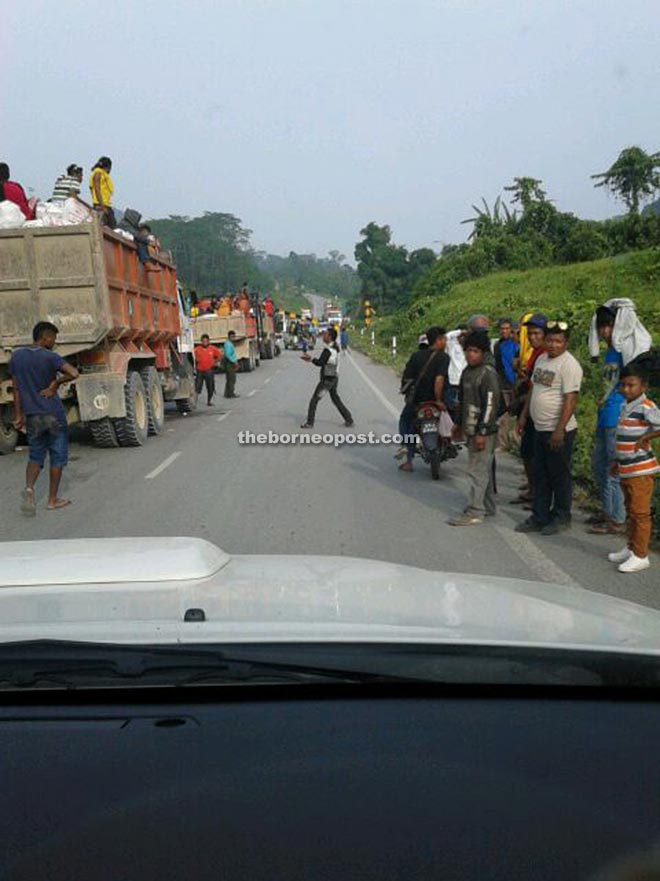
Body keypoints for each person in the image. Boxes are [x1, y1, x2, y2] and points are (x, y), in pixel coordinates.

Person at [515, 321, 583, 536]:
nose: (554, 345)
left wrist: (559, 430)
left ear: (566, 343)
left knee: (558, 475)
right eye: (551, 340)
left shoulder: (569, 365)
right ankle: (539, 516)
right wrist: (524, 417)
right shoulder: (542, 359)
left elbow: (570, 400)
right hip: (538, 427)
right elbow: (534, 390)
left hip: (558, 430)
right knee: (540, 473)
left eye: (559, 341)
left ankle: (561, 516)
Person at [9, 321, 79, 515]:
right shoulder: (51, 357)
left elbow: (16, 389)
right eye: (54, 338)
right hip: (53, 414)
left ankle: (30, 490)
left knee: (35, 455)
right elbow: (74, 373)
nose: (55, 342)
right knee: (57, 456)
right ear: (45, 337)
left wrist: (18, 415)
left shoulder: (17, 357)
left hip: (32, 416)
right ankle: (52, 499)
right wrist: (56, 383)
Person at [607, 364, 660, 573]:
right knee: (630, 510)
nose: (626, 389)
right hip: (626, 468)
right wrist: (616, 462)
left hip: (641, 470)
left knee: (640, 513)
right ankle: (631, 548)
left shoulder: (646, 406)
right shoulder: (625, 406)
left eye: (632, 385)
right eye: (623, 385)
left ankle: (640, 555)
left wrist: (646, 436)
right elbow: (622, 437)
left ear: (643, 386)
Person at [448, 332, 502, 526]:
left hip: (483, 432)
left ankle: (475, 511)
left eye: (475, 351)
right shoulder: (467, 372)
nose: (470, 354)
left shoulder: (487, 374)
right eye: (468, 350)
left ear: (483, 352)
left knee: (476, 471)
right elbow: (462, 401)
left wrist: (482, 432)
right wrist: (458, 424)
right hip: (470, 428)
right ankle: (486, 506)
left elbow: (490, 405)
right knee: (482, 469)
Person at [587, 305, 626, 536]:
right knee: (598, 466)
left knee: (613, 469)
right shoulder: (610, 353)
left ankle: (616, 519)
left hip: (616, 416)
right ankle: (607, 510)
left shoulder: (624, 351)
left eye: (608, 326)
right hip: (604, 414)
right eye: (601, 327)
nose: (604, 332)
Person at [397, 327, 449, 472]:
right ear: (438, 340)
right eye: (444, 339)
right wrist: (439, 400)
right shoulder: (443, 357)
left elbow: (406, 379)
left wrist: (407, 393)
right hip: (436, 401)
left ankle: (408, 458)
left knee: (406, 423)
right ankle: (450, 442)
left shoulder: (416, 356)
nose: (445, 342)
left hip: (417, 402)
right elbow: (439, 380)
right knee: (452, 416)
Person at [511, 313, 547, 506]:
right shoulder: (534, 354)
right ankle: (533, 489)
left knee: (533, 455)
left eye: (536, 333)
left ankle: (538, 493)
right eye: (530, 333)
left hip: (538, 412)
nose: (532, 337)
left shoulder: (544, 355)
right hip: (529, 409)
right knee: (527, 452)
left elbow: (538, 388)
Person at [301, 328, 353, 428]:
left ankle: (309, 423)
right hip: (334, 378)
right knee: (335, 399)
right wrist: (311, 359)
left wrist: (310, 358)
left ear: (329, 337)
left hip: (327, 380)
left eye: (325, 334)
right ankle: (348, 419)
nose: (323, 336)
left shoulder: (328, 350)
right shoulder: (335, 348)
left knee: (314, 400)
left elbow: (320, 363)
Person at [493, 317, 520, 451]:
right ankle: (502, 443)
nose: (504, 331)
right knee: (503, 414)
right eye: (502, 329)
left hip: (517, 383)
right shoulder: (497, 346)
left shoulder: (517, 344)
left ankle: (518, 442)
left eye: (507, 329)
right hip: (503, 383)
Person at [194, 334, 222, 406]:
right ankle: (195, 402)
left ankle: (209, 401)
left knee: (210, 386)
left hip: (209, 370)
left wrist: (215, 362)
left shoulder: (213, 349)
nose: (205, 342)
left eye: (206, 341)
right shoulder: (197, 349)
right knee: (197, 387)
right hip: (200, 370)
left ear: (208, 341)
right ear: (201, 341)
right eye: (203, 341)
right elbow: (192, 357)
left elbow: (220, 356)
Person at [89, 157, 116, 227]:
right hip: (102, 205)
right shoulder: (98, 173)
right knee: (108, 228)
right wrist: (102, 206)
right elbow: (97, 189)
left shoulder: (100, 173)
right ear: (108, 167)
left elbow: (91, 190)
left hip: (103, 204)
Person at [223, 330, 240, 398]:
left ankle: (227, 393)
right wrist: (234, 361)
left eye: (234, 336)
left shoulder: (229, 343)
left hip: (230, 362)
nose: (233, 338)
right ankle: (230, 393)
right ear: (229, 336)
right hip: (229, 363)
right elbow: (228, 355)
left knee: (229, 379)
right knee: (231, 379)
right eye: (232, 336)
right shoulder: (228, 344)